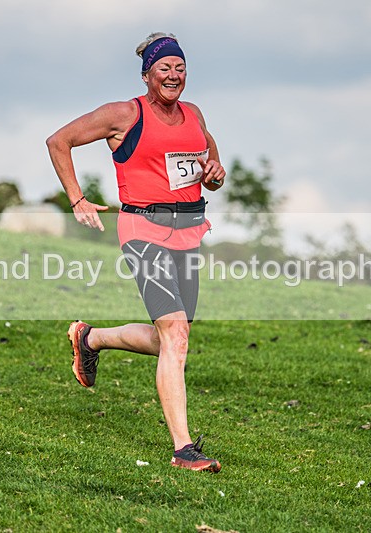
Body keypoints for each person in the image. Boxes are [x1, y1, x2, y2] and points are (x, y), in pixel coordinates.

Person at [46, 32, 226, 472]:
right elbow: (58, 141)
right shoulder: (124, 114)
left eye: (180, 68)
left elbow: (211, 173)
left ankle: (91, 338)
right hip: (143, 229)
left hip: (187, 231)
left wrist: (215, 175)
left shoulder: (193, 115)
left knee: (171, 337)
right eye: (165, 68)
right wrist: (77, 198)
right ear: (147, 74)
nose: (174, 75)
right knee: (176, 336)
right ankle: (184, 449)